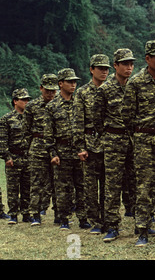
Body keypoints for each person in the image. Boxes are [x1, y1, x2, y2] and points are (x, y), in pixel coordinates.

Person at [122, 40, 155, 246]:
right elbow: (127, 115)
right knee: (144, 186)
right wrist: (142, 131)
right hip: (145, 141)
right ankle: (142, 229)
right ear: (148, 59)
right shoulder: (136, 82)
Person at [94, 48, 136, 242]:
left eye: (131, 64)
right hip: (113, 142)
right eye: (125, 64)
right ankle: (112, 226)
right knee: (112, 185)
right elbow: (97, 119)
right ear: (115, 66)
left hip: (133, 141)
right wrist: (109, 136)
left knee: (137, 183)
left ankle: (142, 224)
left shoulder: (135, 86)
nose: (129, 67)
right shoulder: (104, 89)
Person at [44, 68, 90, 230]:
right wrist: (53, 153)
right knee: (63, 187)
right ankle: (63, 218)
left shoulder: (80, 101)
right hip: (62, 151)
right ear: (60, 84)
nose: (73, 84)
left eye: (75, 81)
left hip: (80, 151)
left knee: (82, 185)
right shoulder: (52, 106)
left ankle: (83, 218)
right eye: (69, 81)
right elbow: (48, 133)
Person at [72, 54, 110, 234]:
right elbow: (77, 121)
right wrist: (80, 147)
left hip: (109, 144)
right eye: (100, 68)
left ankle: (108, 219)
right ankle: (95, 221)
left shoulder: (112, 89)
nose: (104, 71)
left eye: (107, 68)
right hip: (89, 143)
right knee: (90, 186)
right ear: (91, 69)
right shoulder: (82, 92)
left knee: (108, 185)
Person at [23, 74, 59, 226]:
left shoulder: (60, 104)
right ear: (41, 88)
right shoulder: (32, 106)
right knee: (36, 182)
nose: (50, 94)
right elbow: (26, 130)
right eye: (47, 90)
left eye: (53, 90)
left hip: (57, 148)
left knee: (58, 182)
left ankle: (60, 214)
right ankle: (35, 214)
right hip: (38, 148)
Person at [0, 88, 32, 224]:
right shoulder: (6, 119)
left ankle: (26, 213)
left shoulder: (30, 118)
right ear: (15, 101)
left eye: (27, 99)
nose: (26, 102)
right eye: (23, 99)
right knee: (13, 188)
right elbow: (2, 140)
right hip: (13, 157)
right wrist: (7, 157)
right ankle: (13, 214)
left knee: (27, 187)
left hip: (28, 157)